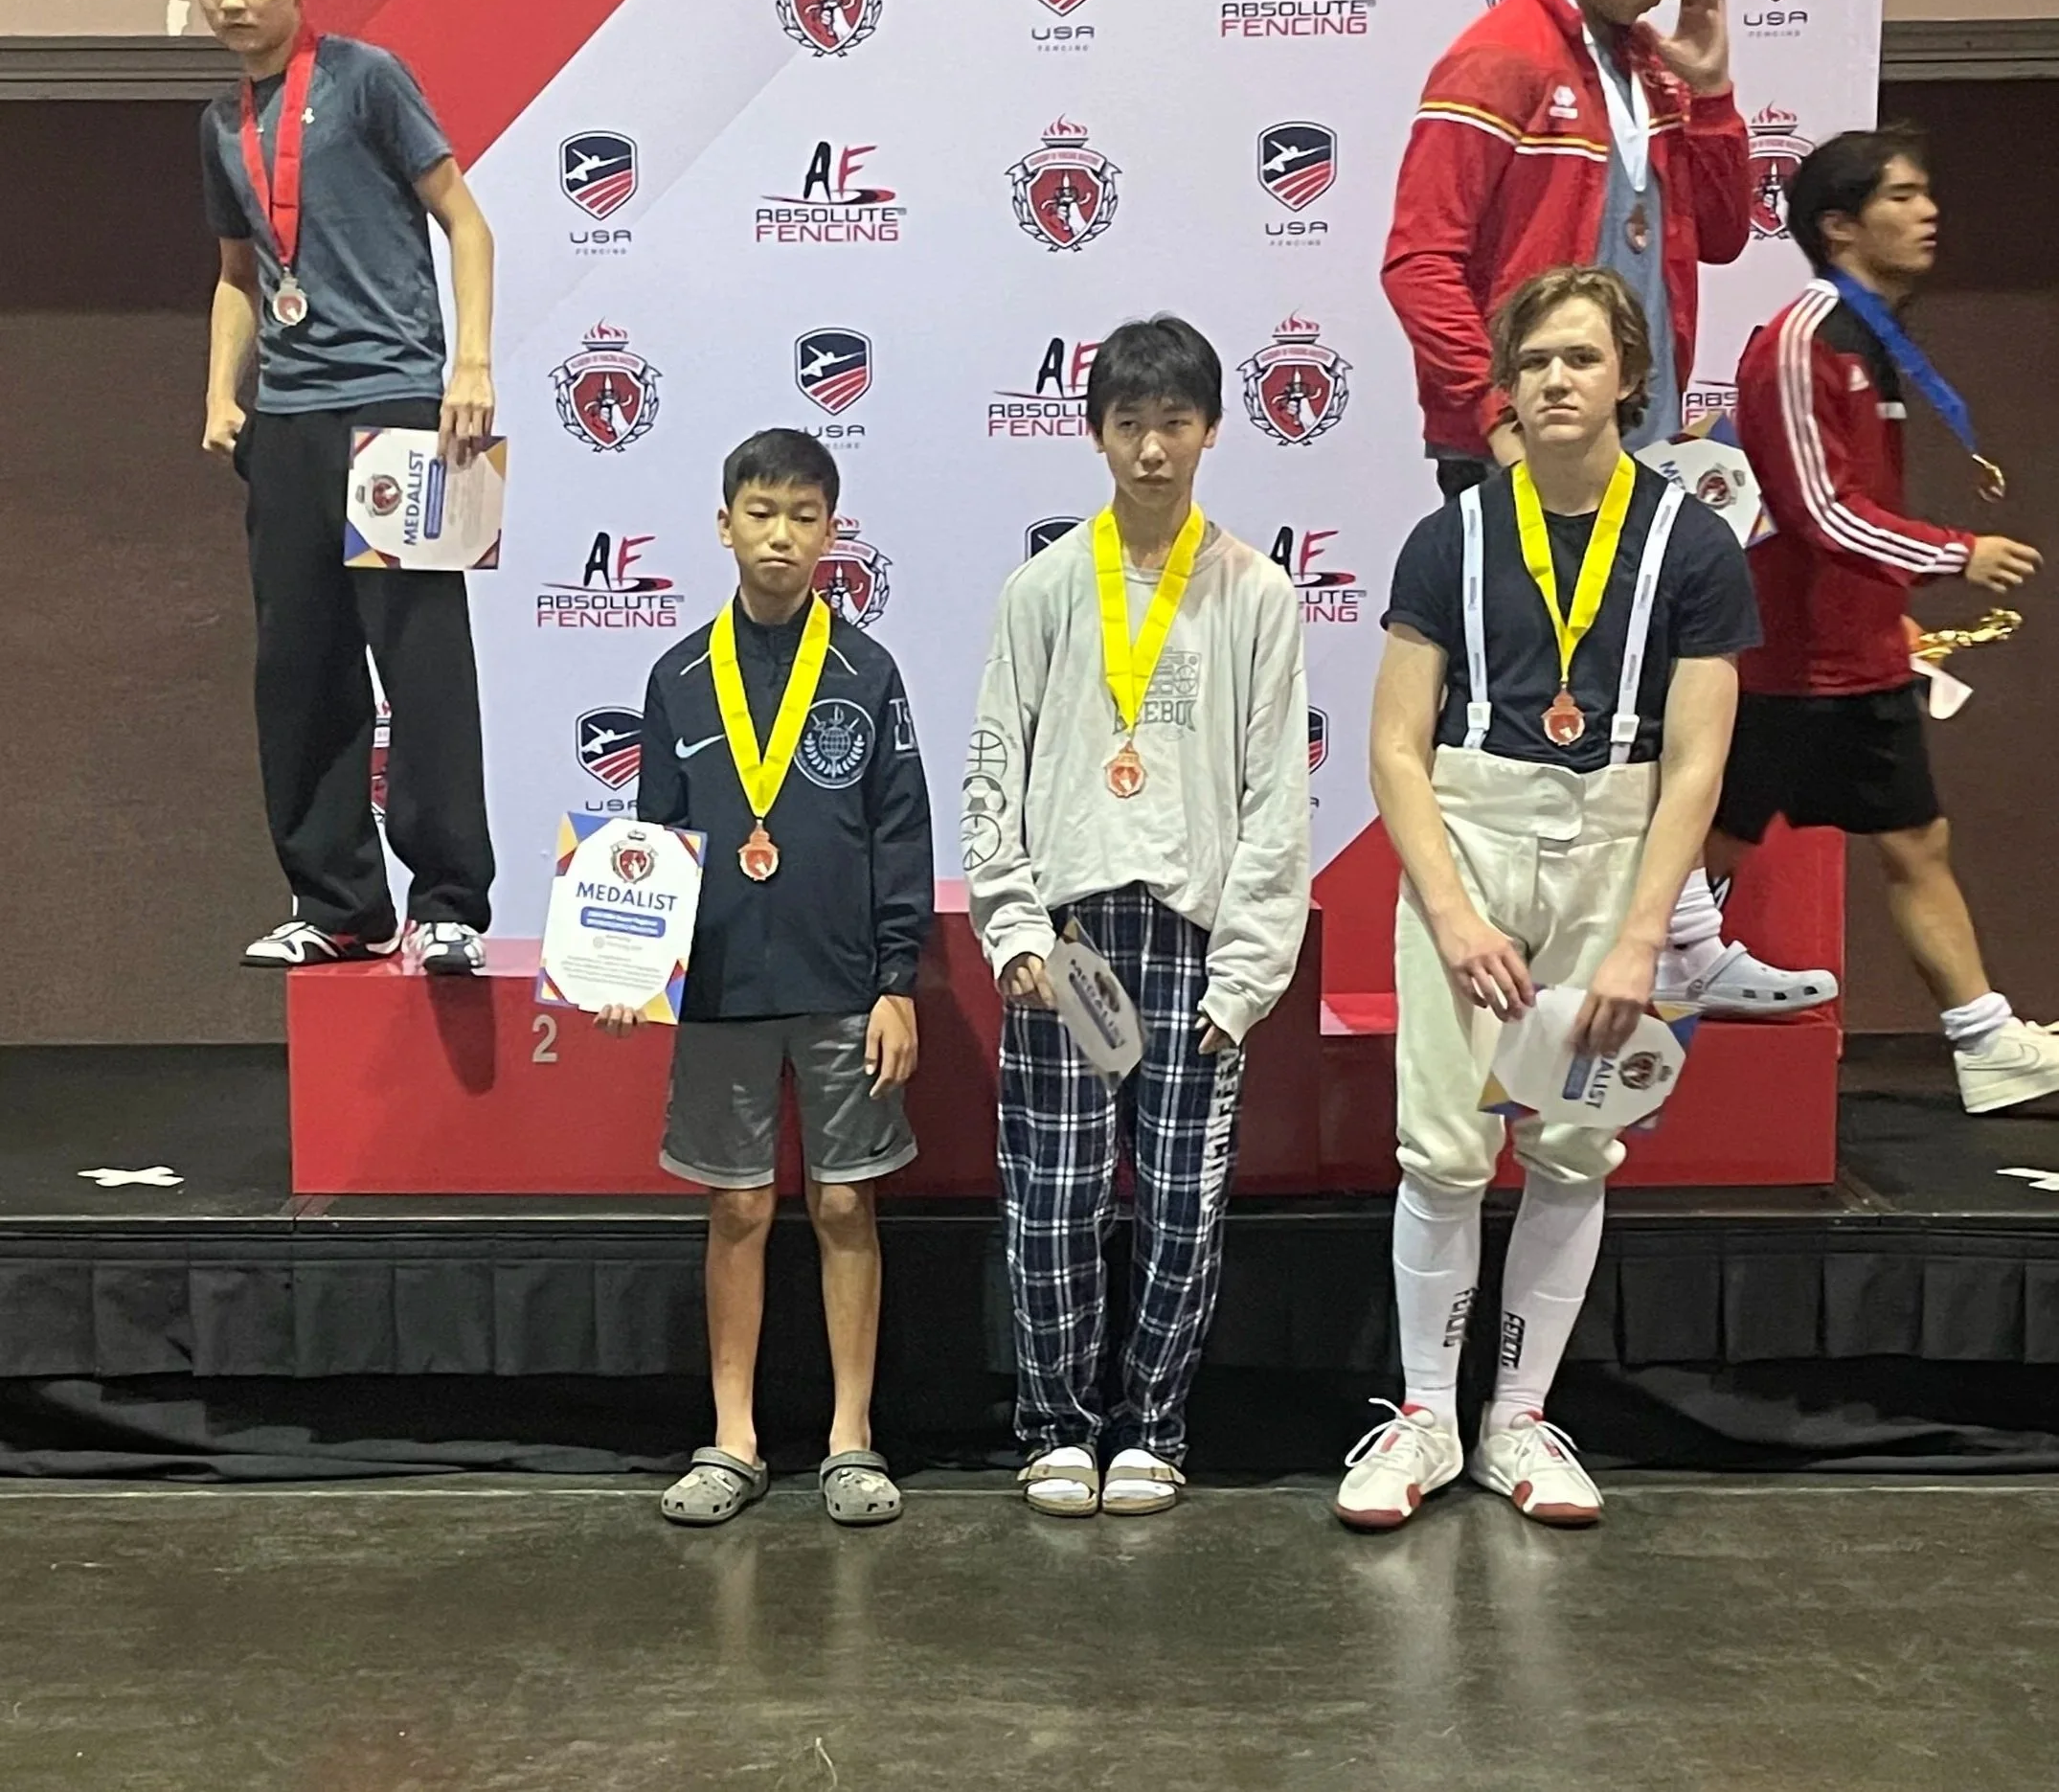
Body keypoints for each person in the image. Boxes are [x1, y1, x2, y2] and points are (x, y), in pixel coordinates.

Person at [1381, 0, 1828, 1020]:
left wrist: (1715, 87)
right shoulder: (1496, 60)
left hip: (1641, 438)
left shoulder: (1639, 65)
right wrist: (1497, 414)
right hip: (1516, 448)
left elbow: (1725, 230)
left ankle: (1669, 937)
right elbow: (1418, 262)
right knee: (1530, 710)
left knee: (1644, 697)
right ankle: (1489, 940)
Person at [1339, 265, 1756, 1531]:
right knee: (1445, 1146)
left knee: (1571, 1141)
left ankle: (1515, 1420)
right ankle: (1421, 1418)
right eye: (1533, 364)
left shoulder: (1689, 541)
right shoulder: (1447, 538)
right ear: (1505, 387)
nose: (1555, 381)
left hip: (1612, 856)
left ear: (1629, 378)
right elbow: (1394, 746)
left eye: (1580, 358)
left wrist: (1643, 934)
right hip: (1468, 835)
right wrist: (1452, 913)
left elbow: (1696, 757)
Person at [964, 317, 1309, 1517]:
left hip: (1194, 940)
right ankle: (1056, 1424)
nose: (1151, 450)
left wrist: (1248, 972)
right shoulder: (1046, 587)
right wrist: (1009, 927)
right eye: (1128, 424)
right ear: (1093, 431)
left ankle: (1151, 1423)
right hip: (1064, 942)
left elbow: (1277, 794)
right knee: (1054, 1194)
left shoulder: (1255, 594)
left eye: (1173, 424)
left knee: (1178, 1198)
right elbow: (992, 766)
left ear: (1210, 429)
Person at [599, 430, 933, 1528]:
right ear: (722, 523)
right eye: (759, 512)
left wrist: (897, 982)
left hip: (843, 987)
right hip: (722, 991)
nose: (779, 534)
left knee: (845, 1203)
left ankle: (851, 1437)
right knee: (737, 1207)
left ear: (831, 530)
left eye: (802, 514)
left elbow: (899, 835)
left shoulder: (864, 672)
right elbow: (647, 842)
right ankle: (731, 1437)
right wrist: (630, 964)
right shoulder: (679, 676)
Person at [177, 0, 497, 976]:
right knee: (300, 665)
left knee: (420, 659)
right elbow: (235, 274)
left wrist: (472, 361)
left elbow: (465, 220)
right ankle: (337, 902)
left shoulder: (366, 81)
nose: (230, 0)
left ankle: (450, 900)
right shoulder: (221, 124)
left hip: (399, 408)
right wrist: (226, 389)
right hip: (293, 423)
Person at [1712, 130, 2058, 1112]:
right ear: (1836, 224)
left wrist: (1891, 617)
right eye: (1901, 197)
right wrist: (1956, 554)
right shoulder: (1799, 336)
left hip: (1857, 651)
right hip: (1788, 659)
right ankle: (1638, 977)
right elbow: (1814, 509)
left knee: (1915, 839)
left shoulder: (1871, 340)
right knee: (1718, 840)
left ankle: (1983, 1039)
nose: (1926, 212)